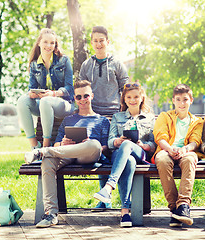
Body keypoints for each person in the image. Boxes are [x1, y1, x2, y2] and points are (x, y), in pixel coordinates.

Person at [24, 80, 110, 228]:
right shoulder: (69, 119)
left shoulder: (102, 121)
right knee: (48, 161)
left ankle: (43, 151)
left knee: (94, 144)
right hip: (67, 155)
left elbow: (106, 148)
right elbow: (57, 143)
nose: (82, 100)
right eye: (78, 97)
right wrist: (62, 144)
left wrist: (86, 144)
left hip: (89, 155)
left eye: (86, 96)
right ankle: (51, 214)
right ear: (75, 99)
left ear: (92, 96)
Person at [79, 25, 129, 211]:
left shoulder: (117, 63)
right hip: (94, 116)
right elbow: (82, 90)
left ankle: (122, 197)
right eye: (95, 41)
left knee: (113, 152)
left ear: (107, 42)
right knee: (100, 152)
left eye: (102, 40)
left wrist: (121, 114)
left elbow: (126, 89)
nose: (99, 44)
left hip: (114, 115)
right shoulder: (86, 65)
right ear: (92, 44)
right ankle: (104, 198)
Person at [93, 82, 156, 227]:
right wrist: (117, 141)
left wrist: (144, 145)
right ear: (124, 99)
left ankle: (109, 187)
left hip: (141, 154)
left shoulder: (150, 118)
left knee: (129, 146)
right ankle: (125, 212)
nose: (132, 100)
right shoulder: (117, 117)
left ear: (141, 98)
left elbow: (154, 144)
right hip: (120, 155)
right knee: (128, 161)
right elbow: (109, 141)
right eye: (129, 97)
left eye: (136, 97)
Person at [152, 84, 203, 227]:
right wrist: (170, 149)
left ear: (191, 100)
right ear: (173, 100)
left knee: (190, 159)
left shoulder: (197, 121)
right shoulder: (165, 116)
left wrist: (185, 149)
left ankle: (183, 205)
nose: (182, 103)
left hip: (186, 151)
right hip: (166, 150)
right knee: (161, 160)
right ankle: (175, 209)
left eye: (185, 99)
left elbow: (195, 141)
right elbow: (160, 137)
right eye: (178, 99)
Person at [17, 28, 74, 149]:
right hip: (44, 104)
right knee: (22, 100)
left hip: (64, 104)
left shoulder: (64, 60)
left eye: (52, 43)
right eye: (45, 42)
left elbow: (70, 88)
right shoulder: (34, 64)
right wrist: (32, 94)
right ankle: (35, 146)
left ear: (55, 45)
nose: (49, 45)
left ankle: (46, 146)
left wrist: (53, 94)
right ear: (39, 43)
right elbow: (31, 88)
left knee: (46, 100)